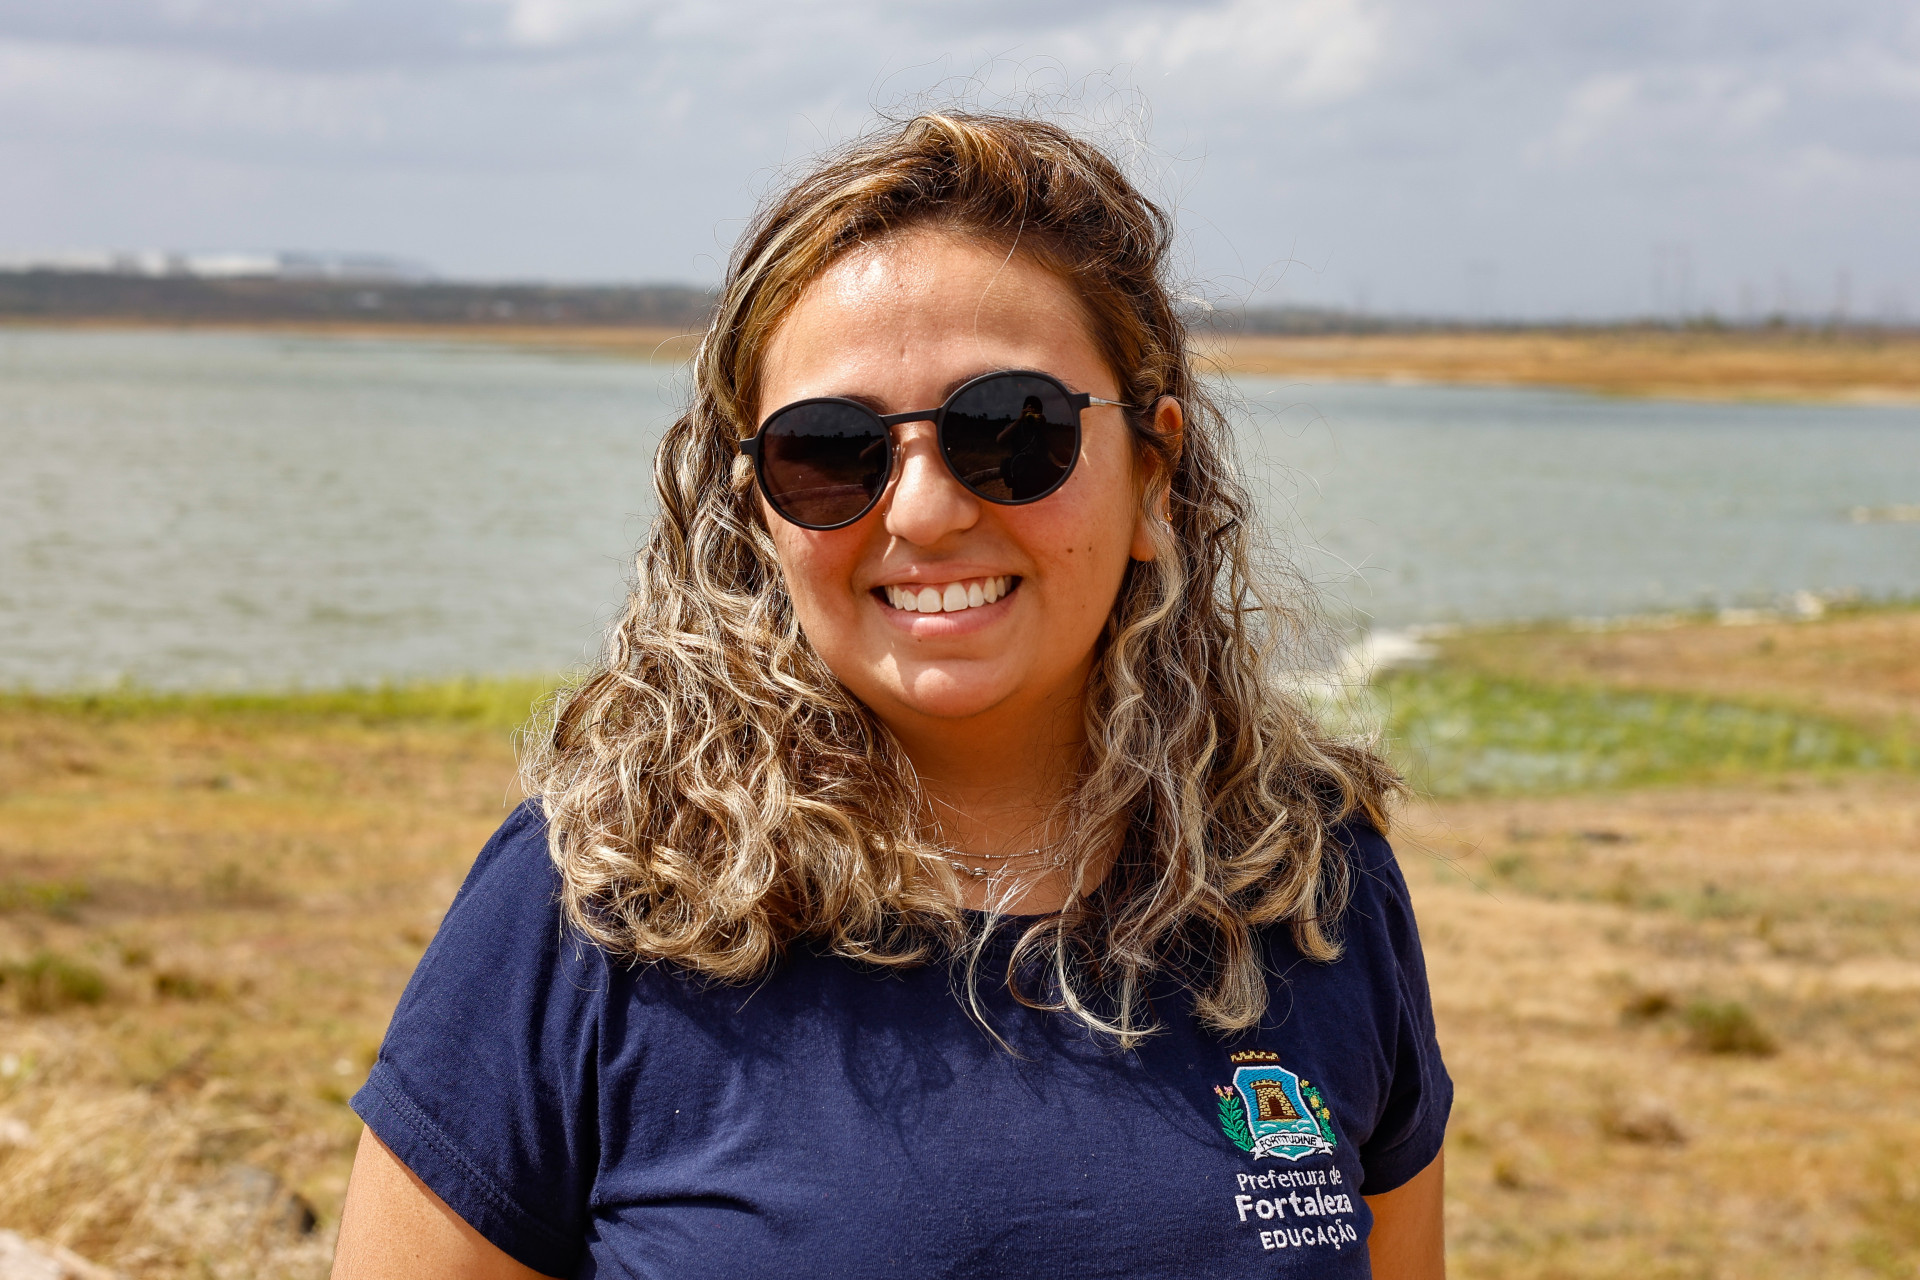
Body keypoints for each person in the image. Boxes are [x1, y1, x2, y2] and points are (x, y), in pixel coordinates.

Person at [332, 111, 1449, 1279]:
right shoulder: (596, 903)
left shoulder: (1312, 886)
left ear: (1154, 473)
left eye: (1011, 430)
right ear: (759, 512)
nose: (921, 511)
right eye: (830, 449)